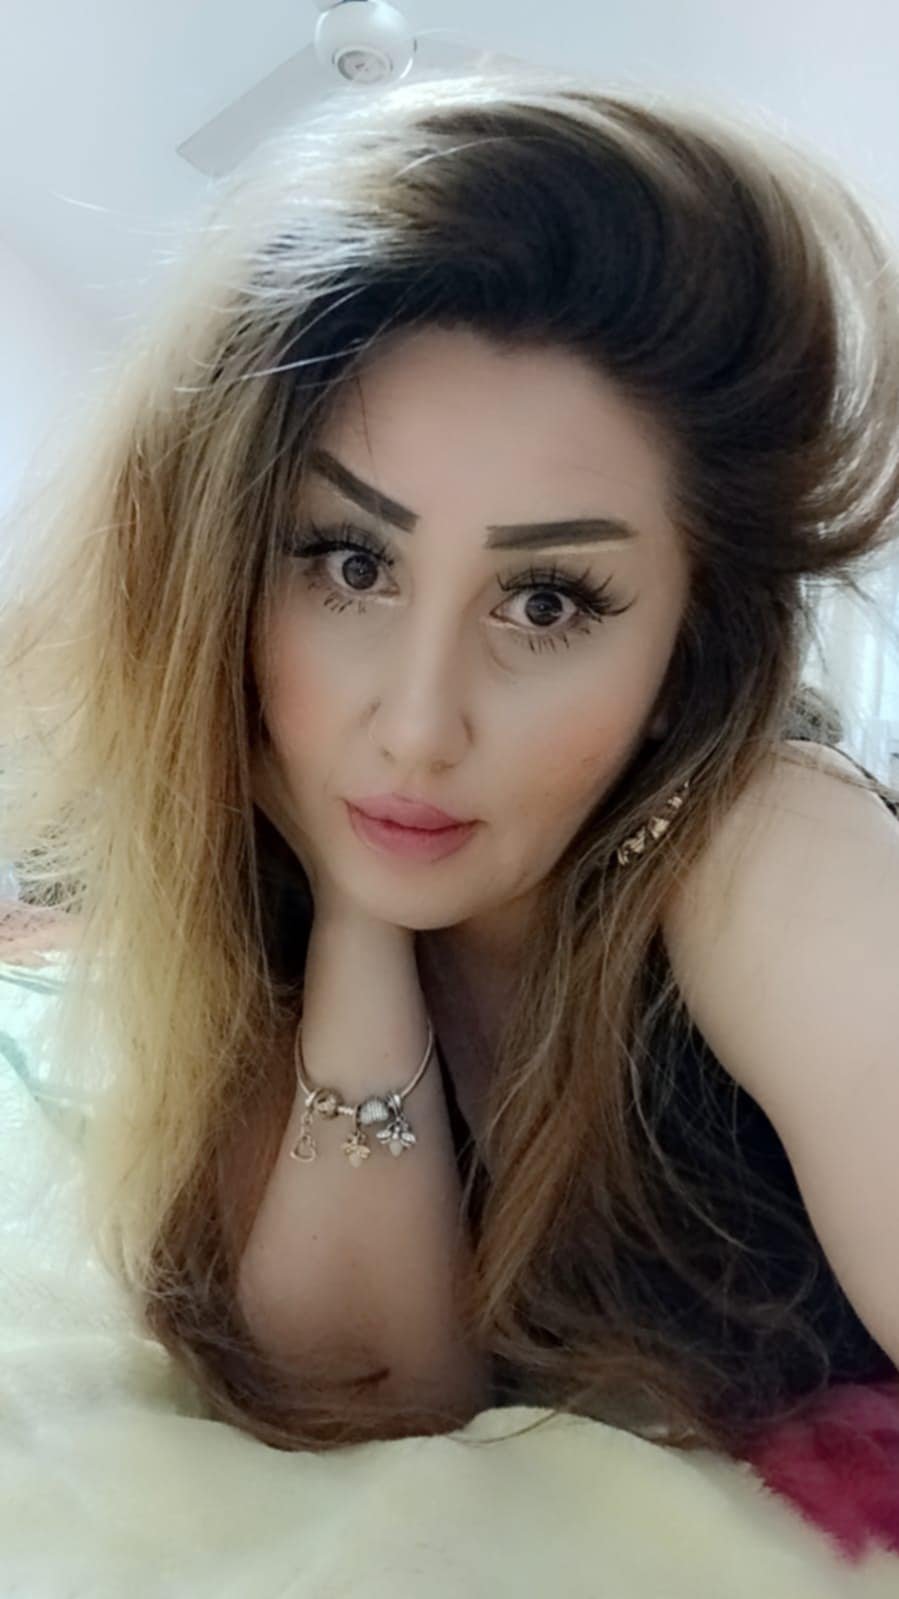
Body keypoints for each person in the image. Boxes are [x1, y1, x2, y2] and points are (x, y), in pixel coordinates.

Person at [1, 69, 898, 1458]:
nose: (419, 727)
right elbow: (364, 1394)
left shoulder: (769, 852)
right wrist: (358, 933)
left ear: (687, 652)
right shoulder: (252, 904)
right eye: (350, 564)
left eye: (546, 603)